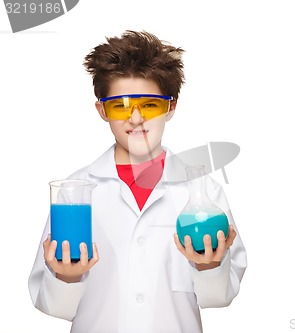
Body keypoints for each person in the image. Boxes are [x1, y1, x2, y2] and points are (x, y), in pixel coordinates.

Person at [28, 30, 247, 333]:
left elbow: (220, 298)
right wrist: (66, 278)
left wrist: (209, 267)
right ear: (102, 110)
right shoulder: (74, 192)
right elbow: (52, 306)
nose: (135, 119)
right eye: (120, 106)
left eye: (149, 105)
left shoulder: (203, 190)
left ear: (170, 107)